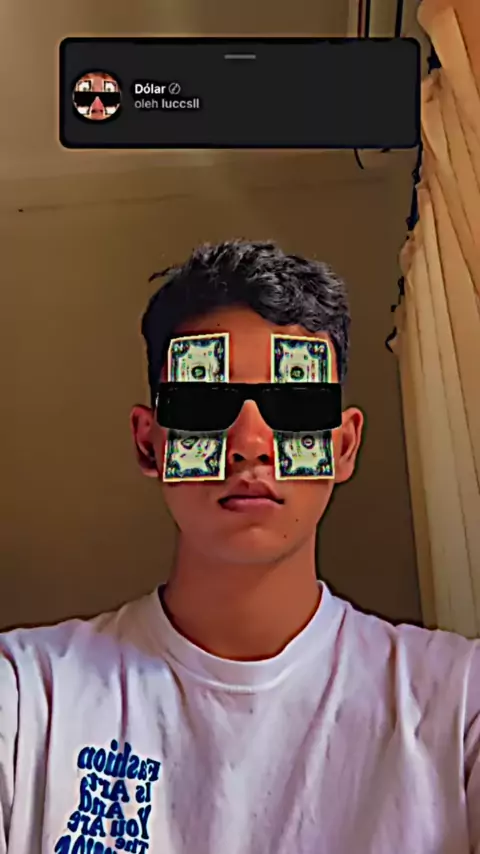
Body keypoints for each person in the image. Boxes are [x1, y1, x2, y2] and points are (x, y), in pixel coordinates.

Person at [0, 239, 479, 854]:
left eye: (293, 402)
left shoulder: (459, 704)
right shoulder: (26, 702)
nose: (250, 443)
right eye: (204, 401)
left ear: (343, 446)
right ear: (149, 442)